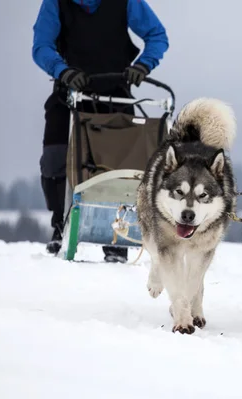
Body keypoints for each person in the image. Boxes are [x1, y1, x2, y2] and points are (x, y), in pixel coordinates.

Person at [32, 0, 169, 262]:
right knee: (54, 159)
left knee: (120, 168)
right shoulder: (55, 3)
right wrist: (62, 70)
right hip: (69, 92)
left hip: (115, 94)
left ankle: (118, 236)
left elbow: (157, 35)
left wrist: (143, 65)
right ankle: (60, 225)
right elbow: (42, 46)